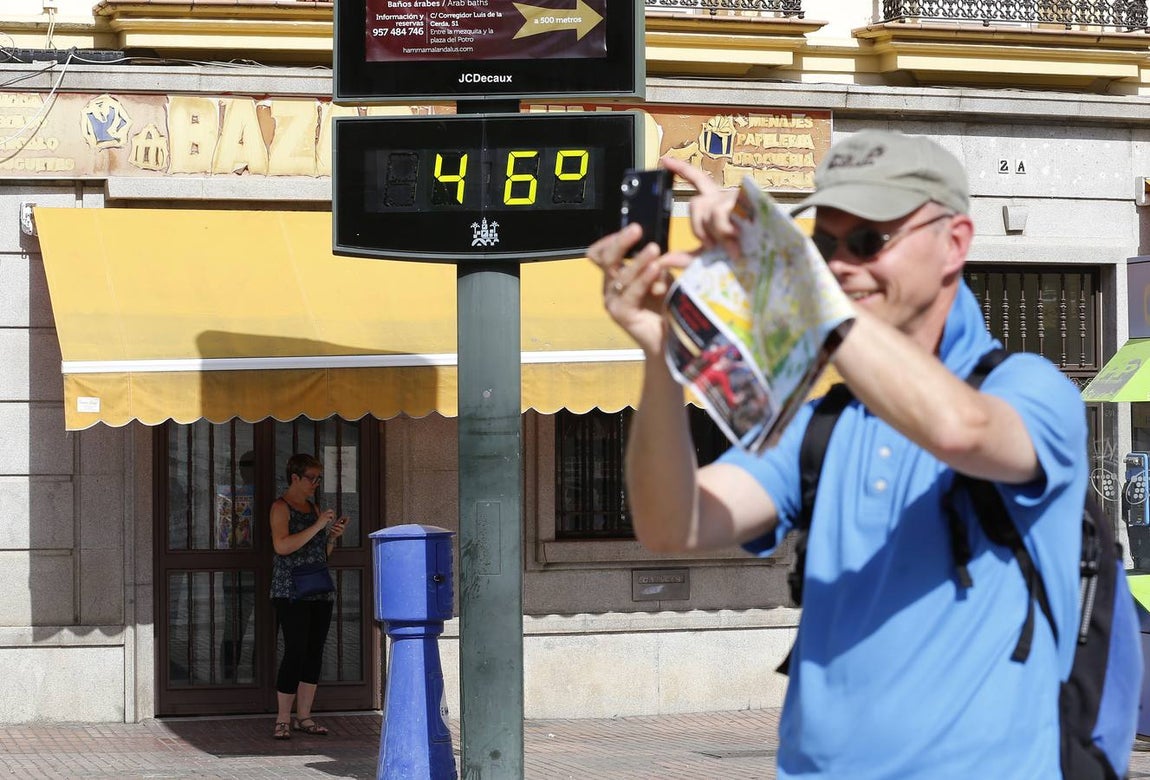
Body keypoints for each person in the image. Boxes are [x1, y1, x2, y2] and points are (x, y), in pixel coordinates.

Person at [587, 130, 1087, 778]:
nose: (842, 264)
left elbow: (961, 430)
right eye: (827, 244)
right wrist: (660, 353)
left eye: (869, 241)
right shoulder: (825, 421)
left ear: (954, 244)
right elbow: (671, 526)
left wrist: (785, 275)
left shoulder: (1031, 388)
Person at [269, 452, 347, 740]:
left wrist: (331, 537)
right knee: (295, 651)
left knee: (314, 652)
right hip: (290, 591)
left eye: (318, 478)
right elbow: (282, 546)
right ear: (295, 478)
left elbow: (319, 555)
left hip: (318, 590)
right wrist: (317, 527)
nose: (315, 483)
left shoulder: (314, 509)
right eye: (311, 478)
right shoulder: (281, 507)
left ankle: (304, 716)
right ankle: (282, 719)